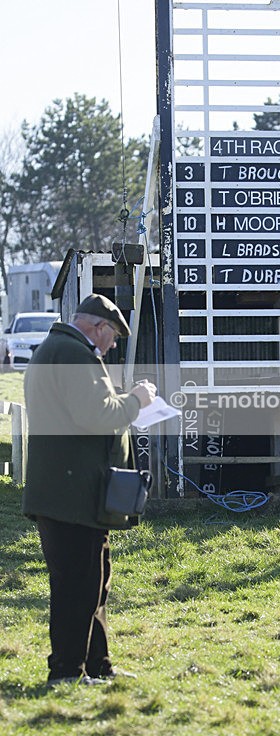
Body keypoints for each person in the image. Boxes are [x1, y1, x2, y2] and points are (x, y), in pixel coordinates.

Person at [22, 294, 157, 687]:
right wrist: (136, 400)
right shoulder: (76, 356)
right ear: (97, 327)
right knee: (78, 588)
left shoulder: (54, 350)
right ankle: (67, 672)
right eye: (112, 335)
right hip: (73, 497)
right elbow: (97, 417)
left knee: (93, 583)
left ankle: (98, 665)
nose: (112, 345)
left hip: (69, 494)